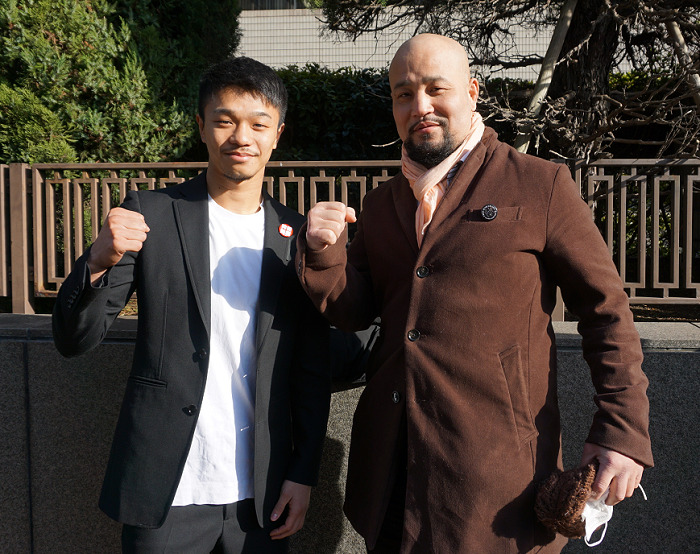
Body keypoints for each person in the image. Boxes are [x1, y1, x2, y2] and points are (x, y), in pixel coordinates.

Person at [296, 34, 653, 552]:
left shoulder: (540, 185)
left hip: (497, 483)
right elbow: (355, 310)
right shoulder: (382, 204)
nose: (420, 106)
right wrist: (324, 255)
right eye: (403, 94)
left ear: (472, 91)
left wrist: (621, 430)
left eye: (435, 88)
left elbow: (607, 312)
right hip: (390, 478)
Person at [53, 56, 331, 553]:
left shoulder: (294, 238)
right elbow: (74, 339)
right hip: (167, 489)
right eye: (225, 121)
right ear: (202, 126)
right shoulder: (152, 214)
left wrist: (303, 472)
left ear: (277, 135)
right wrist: (97, 260)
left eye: (258, 124)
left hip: (260, 494)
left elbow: (309, 370)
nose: (241, 137)